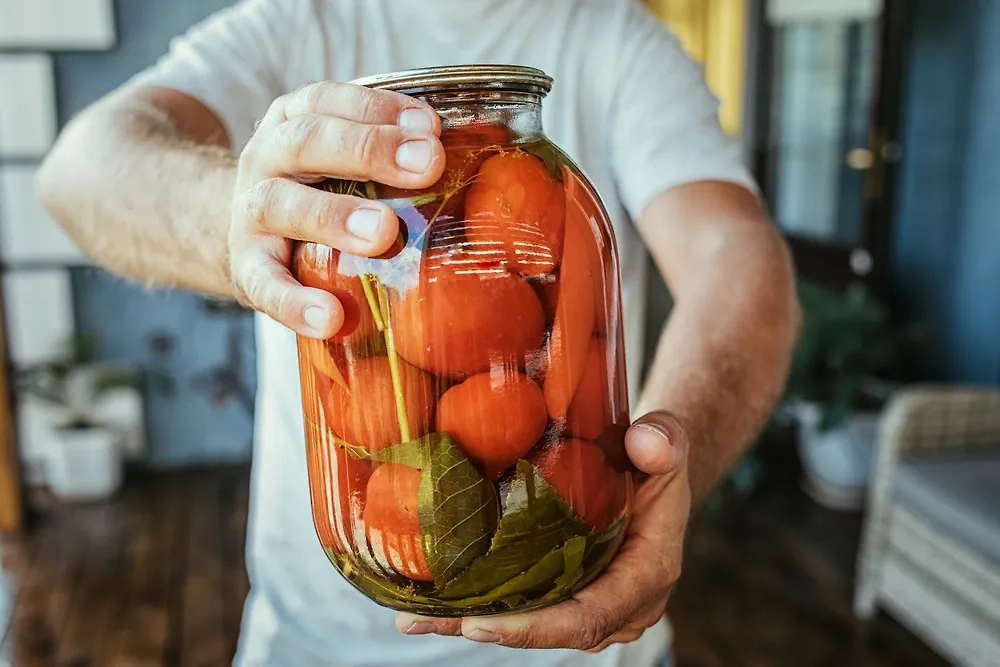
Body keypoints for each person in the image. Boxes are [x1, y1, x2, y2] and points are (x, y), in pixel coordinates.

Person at [36, 0, 800, 665]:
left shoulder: (618, 38)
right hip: (317, 645)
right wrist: (240, 219)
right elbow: (80, 169)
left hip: (594, 624)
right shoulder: (293, 21)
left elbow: (736, 256)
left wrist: (672, 461)